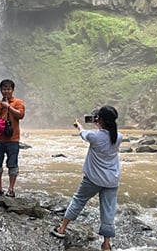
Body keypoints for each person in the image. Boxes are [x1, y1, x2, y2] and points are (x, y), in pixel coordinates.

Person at [51, 106, 122, 251]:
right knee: (108, 210)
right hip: (111, 180)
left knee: (78, 200)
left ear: (100, 119)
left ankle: (62, 228)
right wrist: (99, 123)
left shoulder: (93, 137)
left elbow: (83, 133)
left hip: (93, 179)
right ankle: (106, 244)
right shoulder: (118, 137)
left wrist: (79, 125)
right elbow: (106, 134)